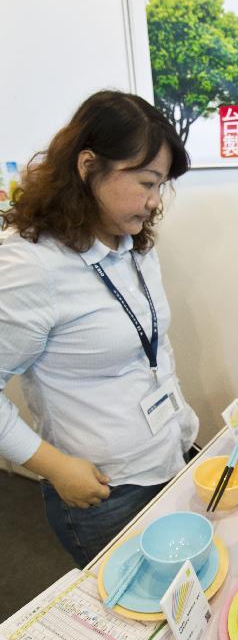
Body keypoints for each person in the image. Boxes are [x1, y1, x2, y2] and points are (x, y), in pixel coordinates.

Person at [0, 91, 199, 568]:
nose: (155, 202)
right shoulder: (32, 265)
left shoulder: (133, 241)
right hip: (102, 490)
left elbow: (150, 343)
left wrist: (182, 421)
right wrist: (55, 467)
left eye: (161, 186)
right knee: (129, 621)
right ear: (89, 166)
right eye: (147, 182)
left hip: (168, 457)